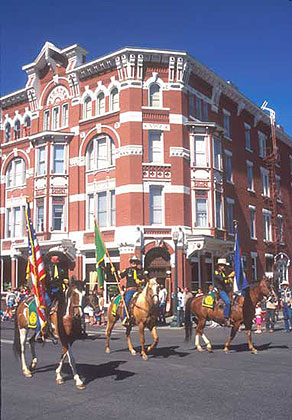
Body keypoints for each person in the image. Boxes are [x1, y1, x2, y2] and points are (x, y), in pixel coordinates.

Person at [120, 256, 145, 326]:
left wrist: (140, 281)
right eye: (132, 262)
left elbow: (144, 279)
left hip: (138, 289)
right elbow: (121, 276)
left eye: (135, 262)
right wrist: (114, 271)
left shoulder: (140, 271)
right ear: (130, 263)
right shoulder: (127, 270)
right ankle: (125, 317)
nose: (134, 263)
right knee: (127, 301)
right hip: (130, 289)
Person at [214, 258, 234, 327]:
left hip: (226, 290)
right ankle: (226, 318)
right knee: (228, 302)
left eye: (224, 266)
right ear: (219, 266)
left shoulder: (223, 273)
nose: (224, 267)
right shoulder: (216, 272)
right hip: (220, 290)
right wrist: (229, 276)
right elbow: (221, 279)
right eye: (223, 266)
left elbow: (226, 282)